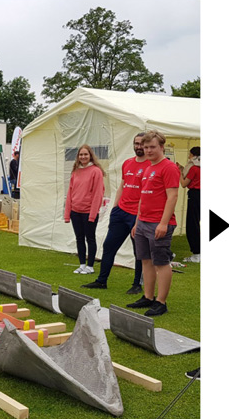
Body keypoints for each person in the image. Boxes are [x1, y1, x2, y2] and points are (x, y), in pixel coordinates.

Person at [85, 132, 151, 294]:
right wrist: (115, 208)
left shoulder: (151, 166)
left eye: (142, 144)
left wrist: (140, 217)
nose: (138, 147)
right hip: (121, 212)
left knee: (139, 252)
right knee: (109, 246)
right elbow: (122, 185)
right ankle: (101, 281)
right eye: (136, 143)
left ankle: (137, 284)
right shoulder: (127, 163)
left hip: (138, 215)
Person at [125, 132, 182, 317]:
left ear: (161, 147)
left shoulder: (169, 167)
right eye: (145, 147)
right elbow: (143, 197)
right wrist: (137, 222)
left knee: (161, 263)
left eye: (152, 147)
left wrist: (163, 223)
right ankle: (148, 297)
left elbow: (172, 196)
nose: (148, 150)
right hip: (143, 222)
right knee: (146, 261)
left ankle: (161, 302)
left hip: (159, 223)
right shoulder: (149, 168)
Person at [65, 144, 106, 274]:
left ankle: (90, 265)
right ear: (78, 157)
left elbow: (98, 194)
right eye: (81, 155)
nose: (83, 157)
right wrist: (67, 213)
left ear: (90, 156)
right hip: (75, 211)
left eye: (85, 154)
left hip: (89, 212)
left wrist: (93, 214)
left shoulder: (96, 171)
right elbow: (70, 192)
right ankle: (82, 264)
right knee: (79, 238)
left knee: (90, 238)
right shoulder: (75, 172)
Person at [182, 146, 202, 263]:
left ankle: (196, 253)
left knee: (192, 224)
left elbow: (184, 183)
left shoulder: (194, 169)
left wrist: (179, 172)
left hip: (195, 195)